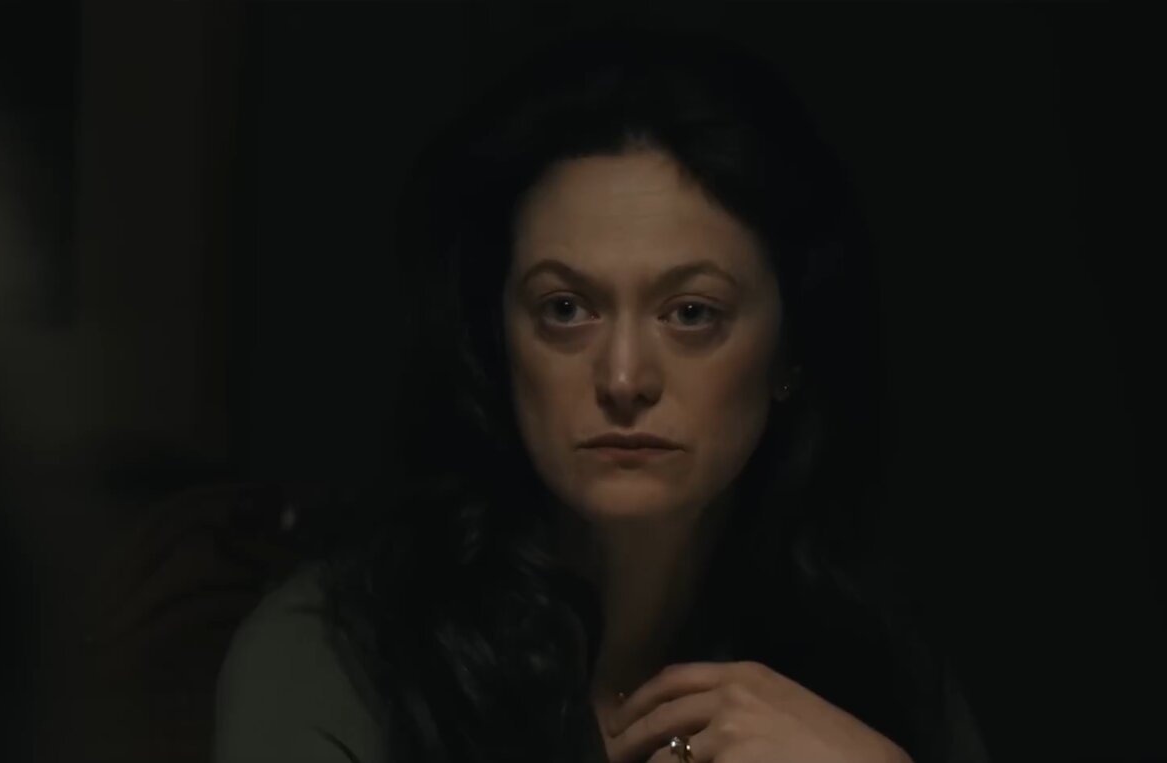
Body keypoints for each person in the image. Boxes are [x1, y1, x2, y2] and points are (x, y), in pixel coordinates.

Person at [212, 30, 989, 763]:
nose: (623, 379)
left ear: (789, 352)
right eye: (565, 309)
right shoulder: (336, 655)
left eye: (692, 313)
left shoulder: (880, 669)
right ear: (496, 339)